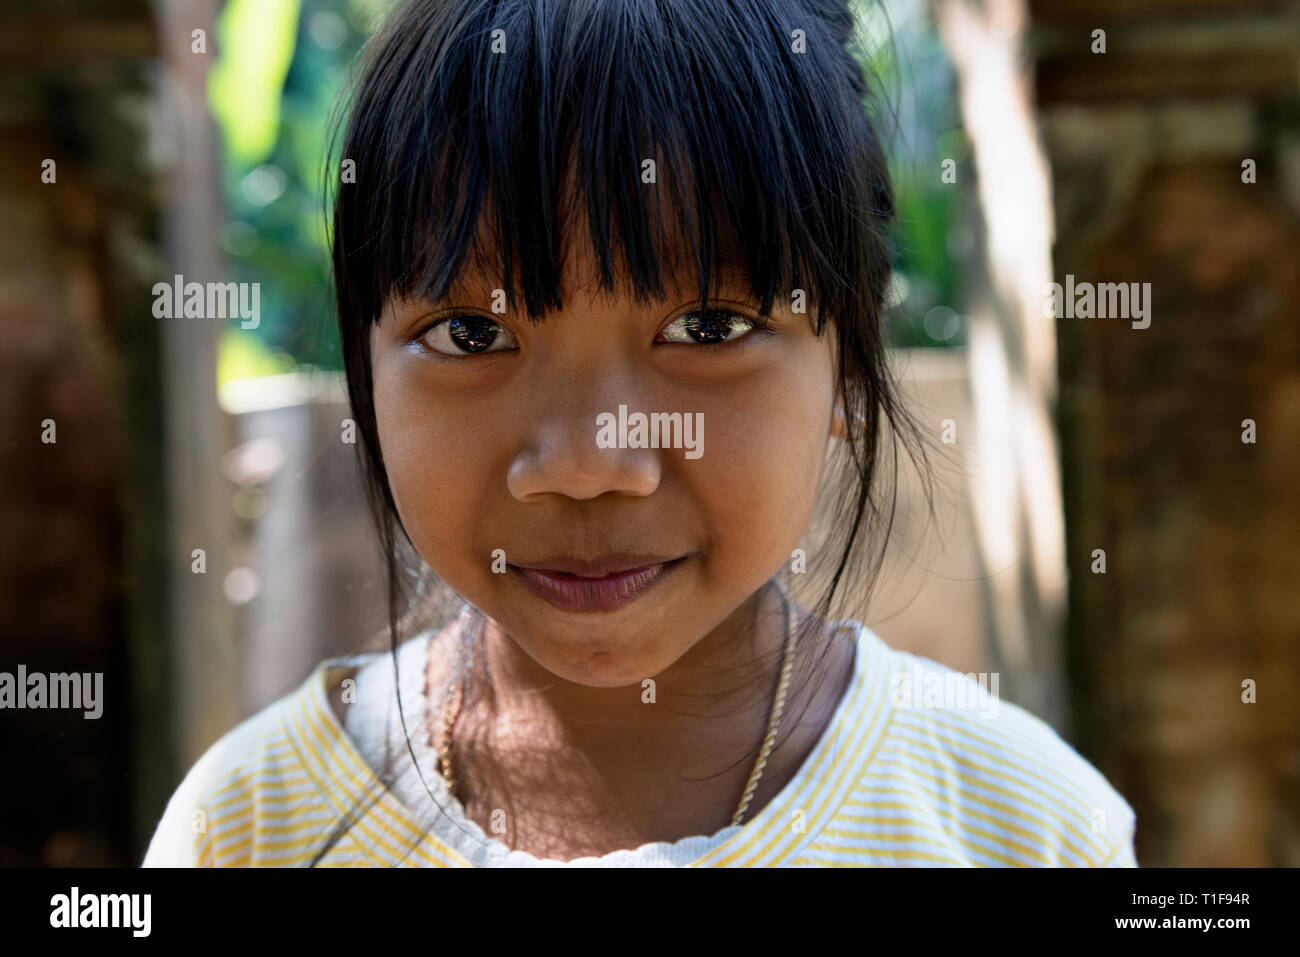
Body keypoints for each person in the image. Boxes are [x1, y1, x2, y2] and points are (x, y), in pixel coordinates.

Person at [142, 0, 1137, 867]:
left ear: (847, 359)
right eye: (471, 333)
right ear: (363, 368)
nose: (584, 464)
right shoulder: (252, 829)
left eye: (708, 328)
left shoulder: (1020, 827)